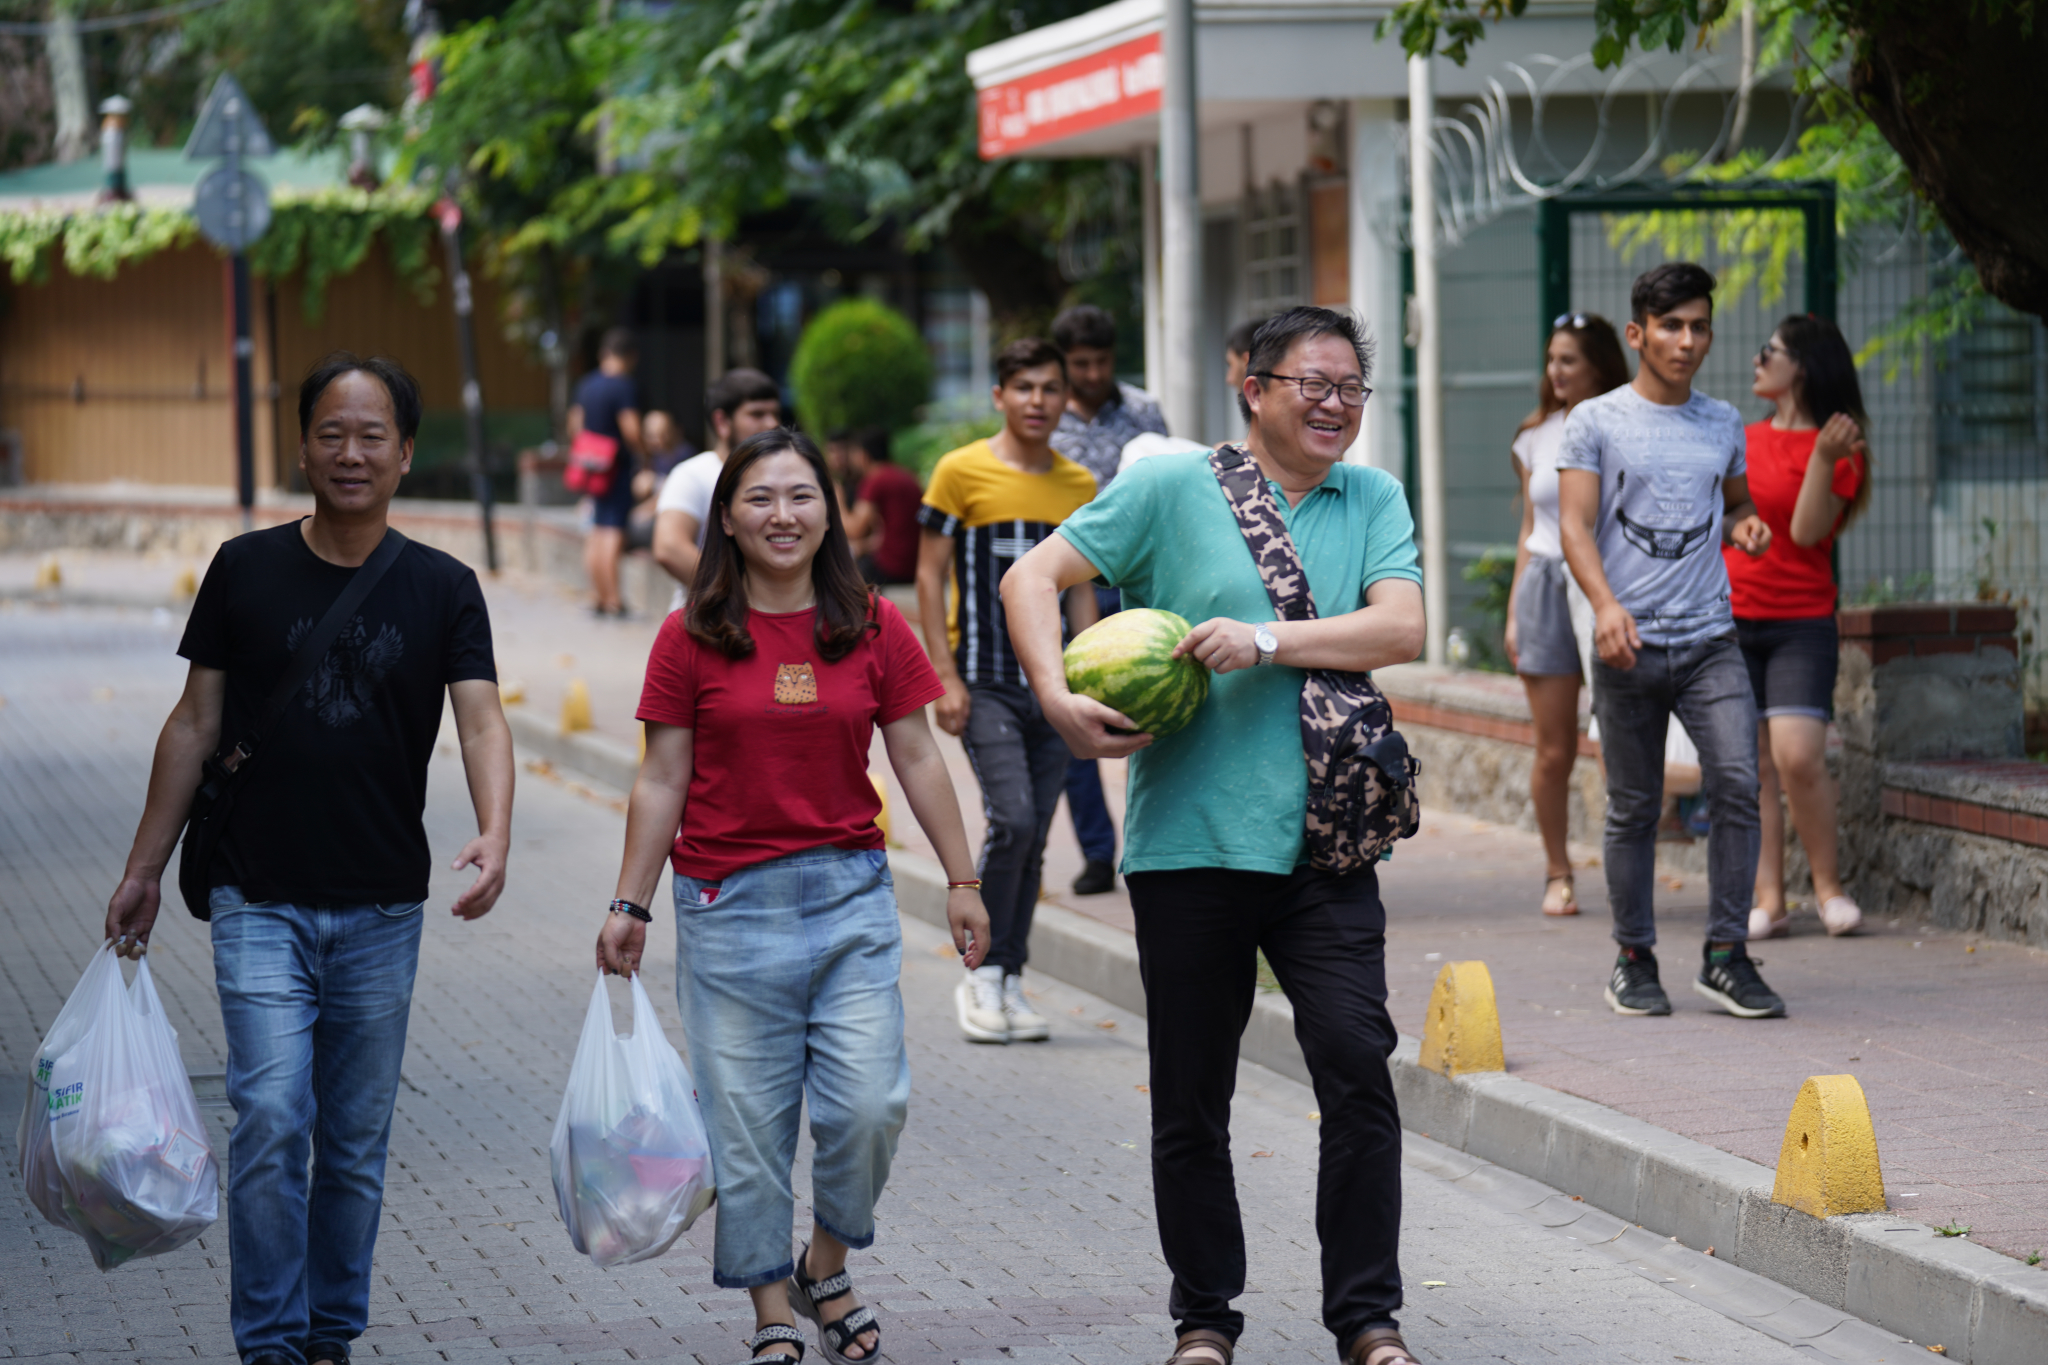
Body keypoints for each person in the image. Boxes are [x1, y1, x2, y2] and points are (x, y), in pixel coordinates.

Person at [1001, 305, 1427, 1365]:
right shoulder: (1167, 486)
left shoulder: (1369, 494)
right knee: (1192, 1094)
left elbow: (1401, 626)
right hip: (1188, 845)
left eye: (1349, 390)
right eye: (1311, 385)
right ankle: (1204, 1317)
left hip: (1326, 848)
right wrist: (1055, 698)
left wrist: (1265, 637)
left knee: (1355, 1065)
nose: (1333, 406)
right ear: (1254, 385)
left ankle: (1366, 1319)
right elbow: (1029, 578)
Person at [103, 352, 515, 1365]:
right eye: (332, 432)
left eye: (373, 435)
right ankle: (273, 1342)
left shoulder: (443, 587)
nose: (351, 452)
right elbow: (195, 723)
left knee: (356, 1142)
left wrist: (496, 831)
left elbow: (481, 724)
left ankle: (331, 1331)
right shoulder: (245, 569)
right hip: (257, 892)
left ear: (407, 454)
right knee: (274, 1113)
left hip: (380, 900)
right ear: (302, 446)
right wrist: (145, 867)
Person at [597, 429, 989, 1365]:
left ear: (831, 510)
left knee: (869, 1104)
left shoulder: (871, 622)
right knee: (748, 1124)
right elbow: (660, 780)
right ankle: (774, 1303)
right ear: (726, 514)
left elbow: (919, 754)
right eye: (761, 498)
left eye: (802, 495)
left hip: (851, 896)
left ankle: (824, 1260)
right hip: (725, 905)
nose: (783, 515)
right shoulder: (687, 634)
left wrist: (963, 878)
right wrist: (630, 903)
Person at [1556, 262, 1787, 1020]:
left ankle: (1725, 954)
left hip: (1710, 640)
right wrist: (1605, 607)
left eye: (1699, 326)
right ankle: (1634, 956)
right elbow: (1574, 525)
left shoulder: (1722, 422)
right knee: (1634, 806)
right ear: (1638, 334)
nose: (1687, 341)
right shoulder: (1595, 420)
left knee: (1737, 782)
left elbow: (1733, 504)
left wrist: (1745, 524)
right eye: (1671, 326)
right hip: (1628, 644)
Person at [916, 337, 1099, 1044]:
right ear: (999, 396)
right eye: (1023, 387)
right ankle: (980, 974)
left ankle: (1012, 979)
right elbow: (929, 576)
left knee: (1035, 839)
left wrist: (1083, 676)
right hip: (985, 681)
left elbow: (1079, 589)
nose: (1037, 401)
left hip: (1053, 689)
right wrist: (945, 675)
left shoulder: (1078, 485)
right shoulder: (960, 473)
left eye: (1050, 389)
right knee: (1015, 821)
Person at [1736, 315, 1872, 939]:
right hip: (1731, 616)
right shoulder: (1739, 439)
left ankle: (1828, 888)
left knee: (1799, 758)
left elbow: (1809, 533)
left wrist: (1820, 456)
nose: (1758, 359)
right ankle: (1769, 897)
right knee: (1754, 764)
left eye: (1772, 351)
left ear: (1805, 367)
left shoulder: (1840, 447)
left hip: (1800, 621)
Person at [1504, 314, 1631, 915]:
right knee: (1553, 749)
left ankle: (1630, 866)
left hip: (1607, 590)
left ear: (1600, 366)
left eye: (1569, 360)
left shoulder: (1628, 424)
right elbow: (1529, 529)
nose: (1555, 371)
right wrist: (1513, 612)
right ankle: (1558, 872)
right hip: (1545, 588)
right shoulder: (1534, 436)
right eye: (1551, 359)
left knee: (1619, 741)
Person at [1049, 304, 1163, 893]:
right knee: (1081, 713)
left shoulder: (1144, 411)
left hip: (1140, 584)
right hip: (1074, 583)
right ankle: (1098, 850)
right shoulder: (1048, 421)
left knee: (1157, 709)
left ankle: (1158, 839)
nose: (1092, 374)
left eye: (1101, 361)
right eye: (1080, 364)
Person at [654, 368, 784, 608]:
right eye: (757, 414)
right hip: (710, 627)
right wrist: (740, 599)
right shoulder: (693, 474)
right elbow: (669, 547)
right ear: (722, 421)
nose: (772, 423)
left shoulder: (788, 474)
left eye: (775, 413)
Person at [571, 328, 646, 617]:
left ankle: (597, 596)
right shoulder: (623, 385)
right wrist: (644, 456)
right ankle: (614, 599)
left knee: (595, 530)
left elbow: (574, 425)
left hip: (591, 465)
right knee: (613, 530)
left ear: (604, 353)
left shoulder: (585, 385)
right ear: (631, 357)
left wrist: (589, 453)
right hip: (616, 466)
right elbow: (631, 428)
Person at [840, 429, 922, 586]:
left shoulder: (875, 479)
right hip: (915, 563)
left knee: (840, 576)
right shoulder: (906, 474)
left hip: (893, 566)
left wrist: (837, 500)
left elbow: (854, 530)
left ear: (863, 455)